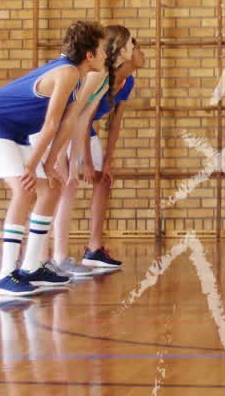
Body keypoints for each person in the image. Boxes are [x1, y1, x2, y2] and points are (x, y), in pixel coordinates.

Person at [0, 20, 105, 297]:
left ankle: (32, 267)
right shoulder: (67, 73)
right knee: (25, 187)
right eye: (103, 49)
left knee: (51, 188)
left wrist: (49, 162)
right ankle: (5, 274)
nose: (107, 55)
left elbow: (67, 124)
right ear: (89, 54)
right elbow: (50, 124)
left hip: (15, 131)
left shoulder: (76, 76)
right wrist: (32, 167)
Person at [50, 25, 142, 276]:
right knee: (59, 189)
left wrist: (102, 161)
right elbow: (71, 113)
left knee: (76, 185)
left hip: (77, 130)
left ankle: (74, 253)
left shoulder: (117, 78)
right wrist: (60, 155)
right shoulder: (97, 75)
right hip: (60, 130)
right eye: (133, 45)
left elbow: (97, 120)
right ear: (121, 49)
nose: (137, 50)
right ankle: (50, 259)